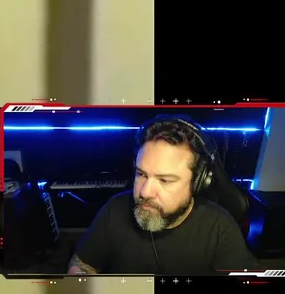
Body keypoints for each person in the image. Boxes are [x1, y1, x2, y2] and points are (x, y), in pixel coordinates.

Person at [66, 117, 259, 276]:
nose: (144, 192)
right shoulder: (115, 209)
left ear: (197, 183)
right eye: (141, 174)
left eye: (165, 180)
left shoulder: (220, 228)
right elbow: (83, 263)